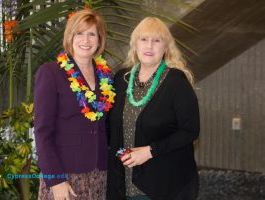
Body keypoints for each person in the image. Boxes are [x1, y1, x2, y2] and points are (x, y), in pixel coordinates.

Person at [107, 17, 200, 200]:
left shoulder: (176, 82)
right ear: (135, 45)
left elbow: (190, 131)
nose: (149, 46)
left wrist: (150, 151)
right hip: (121, 185)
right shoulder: (120, 79)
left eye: (156, 40)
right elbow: (110, 129)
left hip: (162, 186)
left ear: (165, 47)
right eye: (144, 39)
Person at [34, 9, 115, 200]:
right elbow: (42, 131)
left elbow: (106, 126)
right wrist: (55, 180)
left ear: (99, 39)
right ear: (70, 36)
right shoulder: (50, 72)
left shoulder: (106, 75)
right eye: (79, 33)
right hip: (64, 176)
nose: (85, 41)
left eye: (91, 34)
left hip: (99, 173)